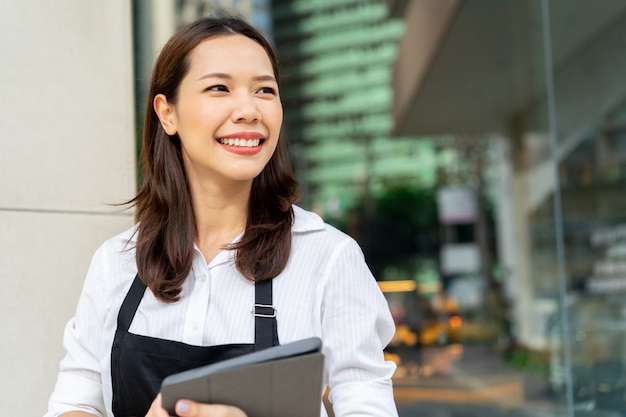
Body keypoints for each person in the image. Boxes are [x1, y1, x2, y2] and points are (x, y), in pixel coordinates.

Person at [45, 15, 398, 417]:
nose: (248, 110)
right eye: (219, 87)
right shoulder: (117, 261)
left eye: (265, 90)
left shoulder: (329, 259)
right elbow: (74, 402)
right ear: (167, 113)